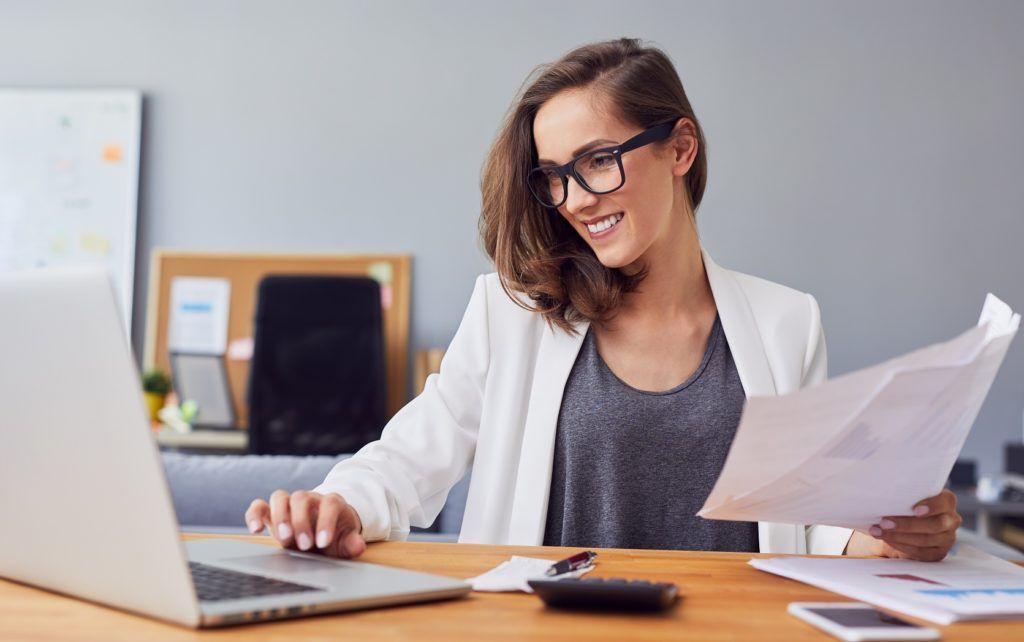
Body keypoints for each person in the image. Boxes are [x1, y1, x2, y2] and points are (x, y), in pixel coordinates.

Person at [245, 38, 961, 562]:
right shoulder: (511, 313)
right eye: (555, 176)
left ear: (680, 149)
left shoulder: (786, 321)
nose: (575, 201)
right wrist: (338, 504)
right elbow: (406, 461)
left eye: (597, 161)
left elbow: (812, 522)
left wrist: (895, 532)